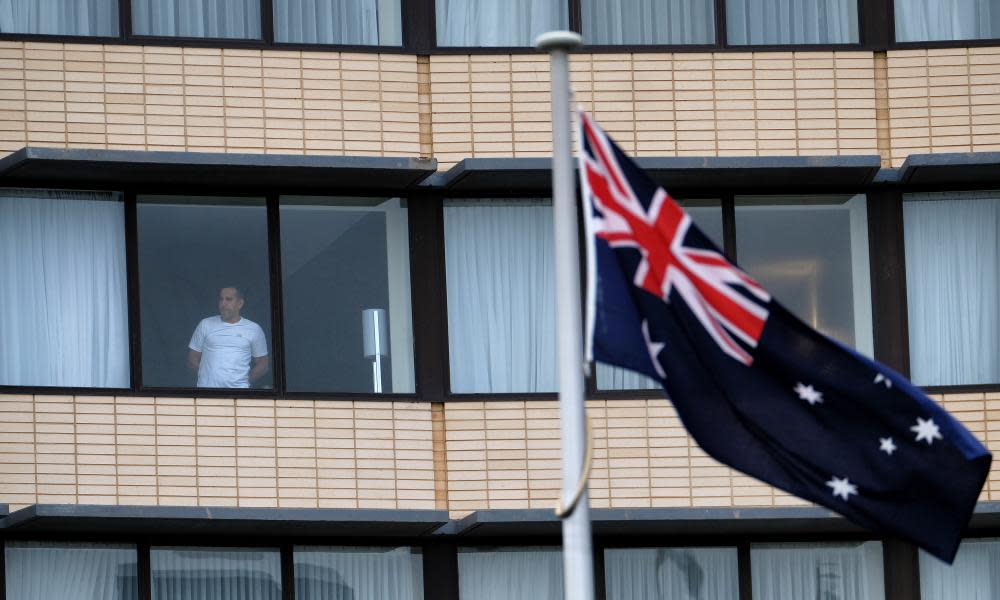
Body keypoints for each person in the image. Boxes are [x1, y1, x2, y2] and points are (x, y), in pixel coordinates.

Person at [187, 286, 269, 388]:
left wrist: (243, 381)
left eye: (228, 299)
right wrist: (205, 377)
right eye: (221, 299)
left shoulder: (254, 329)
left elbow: (263, 364)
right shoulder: (205, 324)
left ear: (240, 303)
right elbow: (192, 359)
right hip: (207, 392)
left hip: (239, 393)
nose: (223, 304)